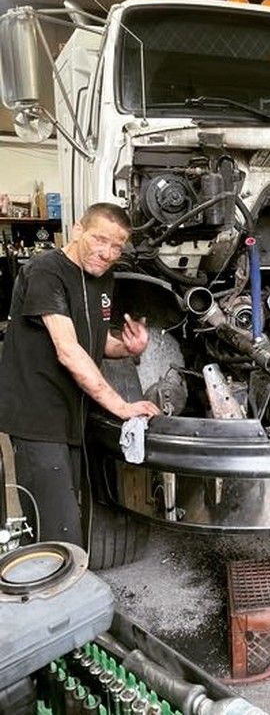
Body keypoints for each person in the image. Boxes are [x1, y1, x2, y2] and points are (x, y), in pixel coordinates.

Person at [0, 202, 160, 547]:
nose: (107, 253)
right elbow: (69, 350)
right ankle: (49, 596)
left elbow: (95, 342)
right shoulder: (46, 271)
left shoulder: (102, 280)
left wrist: (128, 347)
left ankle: (64, 590)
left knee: (71, 522)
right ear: (77, 230)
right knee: (56, 532)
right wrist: (122, 406)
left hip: (72, 417)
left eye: (117, 246)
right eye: (100, 240)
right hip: (38, 418)